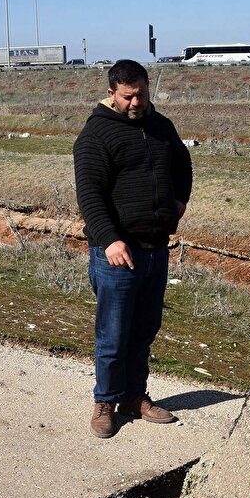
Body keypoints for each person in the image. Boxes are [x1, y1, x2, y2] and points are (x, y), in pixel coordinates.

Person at [73, 59, 193, 438]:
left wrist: (180, 199)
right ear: (112, 94)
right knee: (114, 333)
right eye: (128, 96)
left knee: (144, 330)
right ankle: (105, 402)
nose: (136, 102)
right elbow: (90, 196)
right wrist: (109, 240)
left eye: (142, 93)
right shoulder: (96, 135)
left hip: (155, 248)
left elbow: (182, 163)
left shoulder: (160, 126)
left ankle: (135, 398)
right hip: (116, 254)